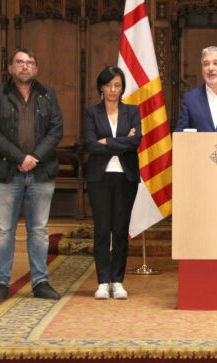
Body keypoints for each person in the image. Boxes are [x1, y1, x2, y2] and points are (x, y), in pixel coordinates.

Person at [0, 48, 63, 302]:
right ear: (10, 68)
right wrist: (20, 158)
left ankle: (40, 282)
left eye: (30, 62)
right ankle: (0, 283)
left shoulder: (48, 94)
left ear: (36, 69)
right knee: (4, 230)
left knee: (38, 230)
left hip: (41, 172)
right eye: (19, 62)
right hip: (6, 172)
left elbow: (56, 129)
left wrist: (34, 157)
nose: (25, 66)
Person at [84, 67, 142, 300]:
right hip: (99, 177)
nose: (112, 90)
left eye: (117, 85)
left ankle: (117, 281)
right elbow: (90, 144)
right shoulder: (92, 112)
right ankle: (102, 282)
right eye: (108, 85)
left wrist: (106, 141)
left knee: (120, 230)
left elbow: (135, 141)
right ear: (101, 87)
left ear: (122, 88)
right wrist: (121, 141)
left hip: (126, 177)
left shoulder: (132, 111)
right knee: (102, 230)